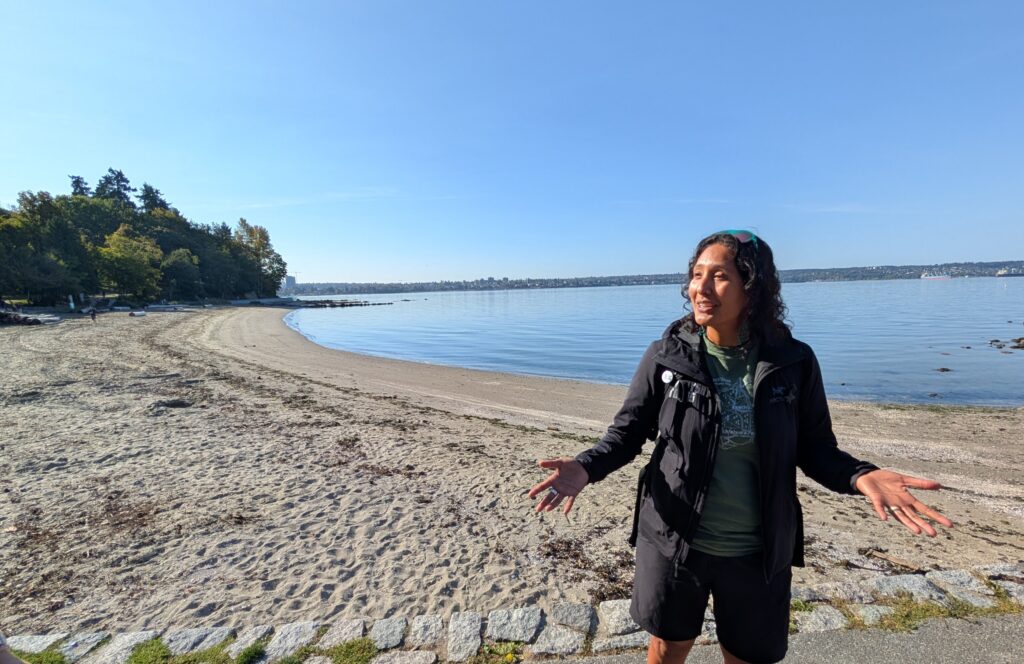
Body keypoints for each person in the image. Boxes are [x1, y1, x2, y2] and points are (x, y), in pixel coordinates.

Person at [528, 230, 952, 664]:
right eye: (696, 275)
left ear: (753, 286)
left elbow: (816, 449)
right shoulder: (667, 356)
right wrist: (584, 468)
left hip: (759, 549)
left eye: (719, 276)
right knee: (667, 649)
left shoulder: (794, 362)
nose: (701, 288)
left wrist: (860, 475)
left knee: (748, 657)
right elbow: (627, 433)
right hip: (675, 541)